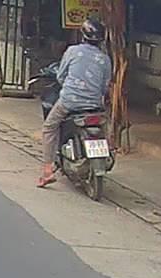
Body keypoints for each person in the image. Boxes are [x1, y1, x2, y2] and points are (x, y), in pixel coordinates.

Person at [38, 16, 112, 187]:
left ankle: (47, 171)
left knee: (49, 127)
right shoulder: (105, 59)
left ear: (82, 35)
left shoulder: (72, 51)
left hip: (70, 102)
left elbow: (60, 76)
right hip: (94, 105)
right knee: (104, 128)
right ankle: (108, 151)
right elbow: (104, 86)